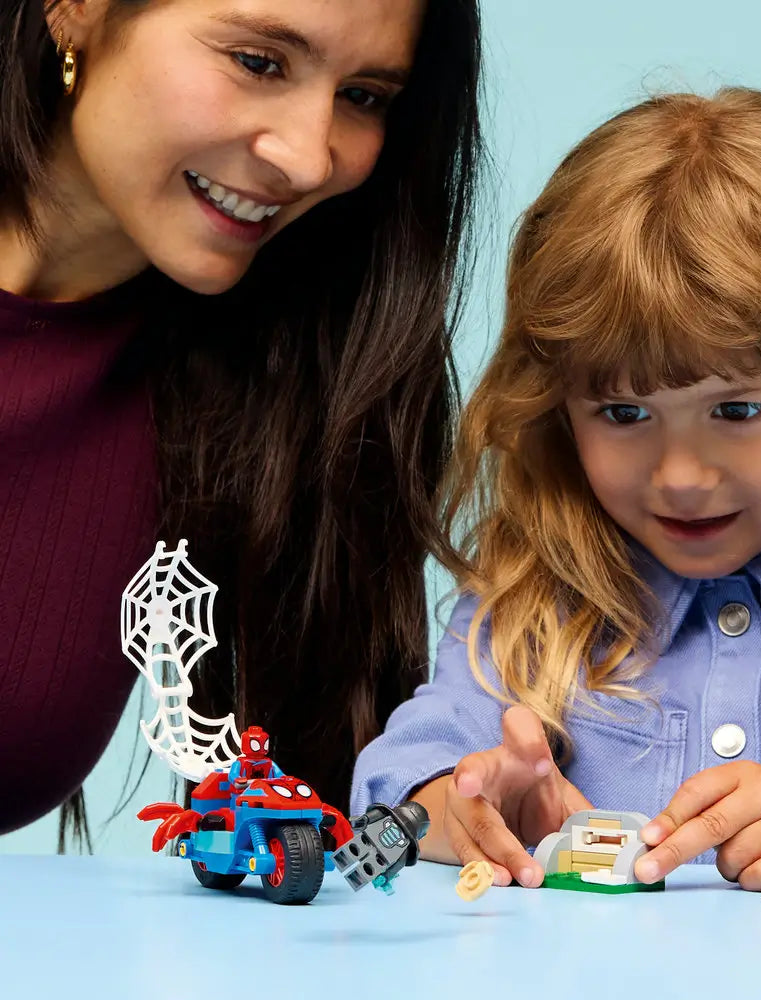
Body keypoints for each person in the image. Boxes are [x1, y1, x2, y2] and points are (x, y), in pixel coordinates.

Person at [351, 87, 761, 892]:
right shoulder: (534, 596)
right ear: (560, 411)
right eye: (624, 412)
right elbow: (420, 752)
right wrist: (467, 805)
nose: (680, 475)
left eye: (737, 410)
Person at [0, 0, 482, 845]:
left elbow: (326, 831)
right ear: (74, 10)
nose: (307, 157)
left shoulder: (265, 388)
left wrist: (447, 809)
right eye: (259, 62)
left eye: (364, 96)